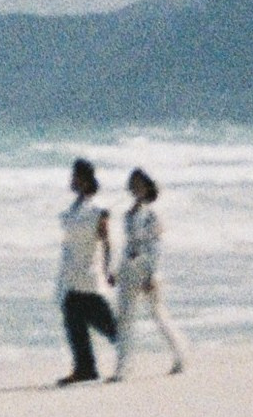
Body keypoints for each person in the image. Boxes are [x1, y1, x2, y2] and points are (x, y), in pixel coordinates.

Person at [112, 166, 188, 378]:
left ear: (147, 188)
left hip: (146, 270)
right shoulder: (127, 215)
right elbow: (128, 246)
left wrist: (151, 275)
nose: (135, 187)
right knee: (125, 319)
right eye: (133, 184)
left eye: (139, 184)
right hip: (129, 269)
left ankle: (181, 355)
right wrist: (117, 271)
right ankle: (123, 368)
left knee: (157, 314)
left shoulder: (152, 215)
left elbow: (155, 247)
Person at [55, 156, 117, 382]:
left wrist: (110, 269)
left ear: (84, 180)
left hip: (89, 272)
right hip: (72, 272)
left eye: (75, 176)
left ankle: (123, 346)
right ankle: (85, 367)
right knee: (74, 316)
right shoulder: (73, 209)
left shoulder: (98, 210)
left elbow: (106, 241)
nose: (71, 180)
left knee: (101, 319)